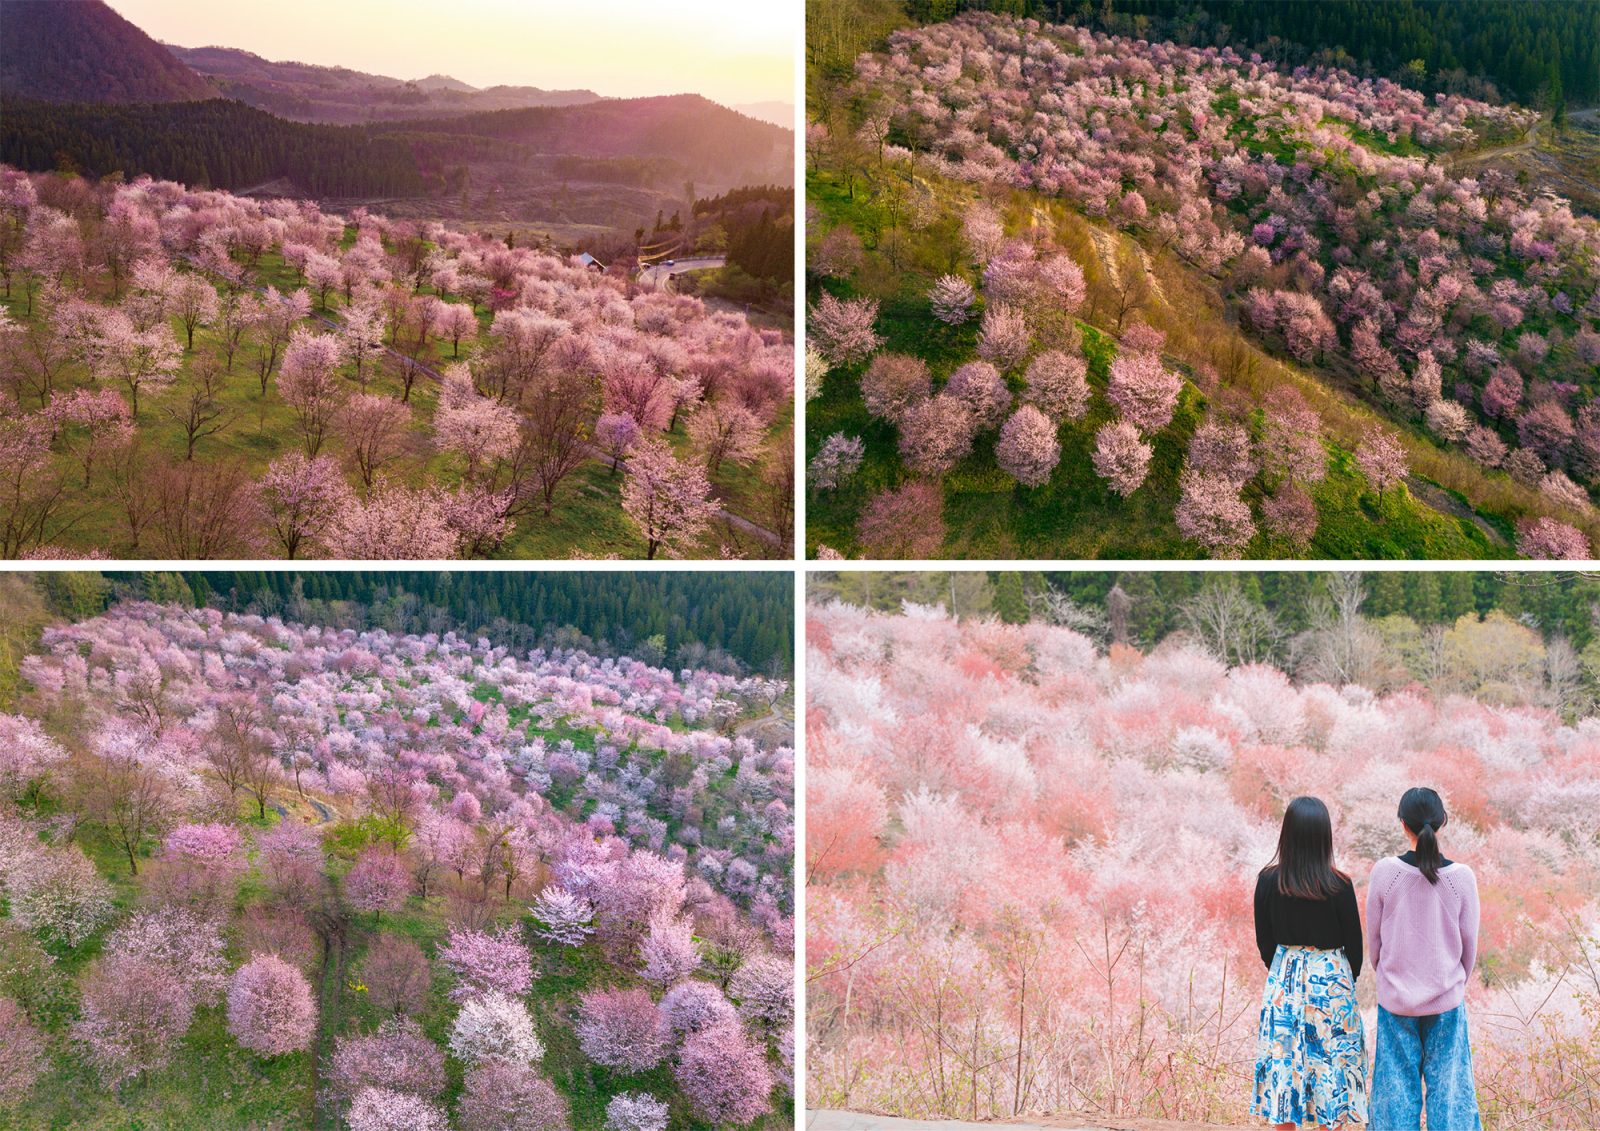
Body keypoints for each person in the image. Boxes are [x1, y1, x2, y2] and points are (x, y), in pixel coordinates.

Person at [1367, 787, 1482, 1130]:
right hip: (1446, 999)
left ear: (1403, 823)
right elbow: (1469, 946)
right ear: (1442, 821)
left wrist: (1390, 977)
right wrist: (1451, 981)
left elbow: (1375, 942)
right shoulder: (1461, 877)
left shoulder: (1385, 873)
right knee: (1450, 1096)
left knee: (1394, 1098)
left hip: (1396, 1000)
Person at [1251, 795, 1367, 1129]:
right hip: (1331, 983)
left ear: (1286, 834)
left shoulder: (1269, 881)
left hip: (1284, 982)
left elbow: (1265, 942)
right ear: (1324, 837)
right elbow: (1354, 947)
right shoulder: (1339, 885)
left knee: (1284, 1068)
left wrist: (1285, 971)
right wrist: (1341, 979)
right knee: (1331, 1066)